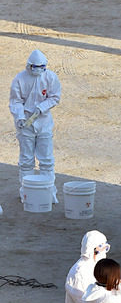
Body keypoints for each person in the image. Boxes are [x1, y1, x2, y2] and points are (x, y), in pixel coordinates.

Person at [9, 49, 61, 202]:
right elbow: (15, 101)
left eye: (42, 67)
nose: (39, 70)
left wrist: (42, 107)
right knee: (26, 161)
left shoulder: (50, 77)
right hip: (26, 124)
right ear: (29, 66)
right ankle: (27, 193)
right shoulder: (20, 79)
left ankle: (48, 192)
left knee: (47, 160)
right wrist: (19, 117)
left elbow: (55, 97)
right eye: (36, 67)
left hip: (44, 123)